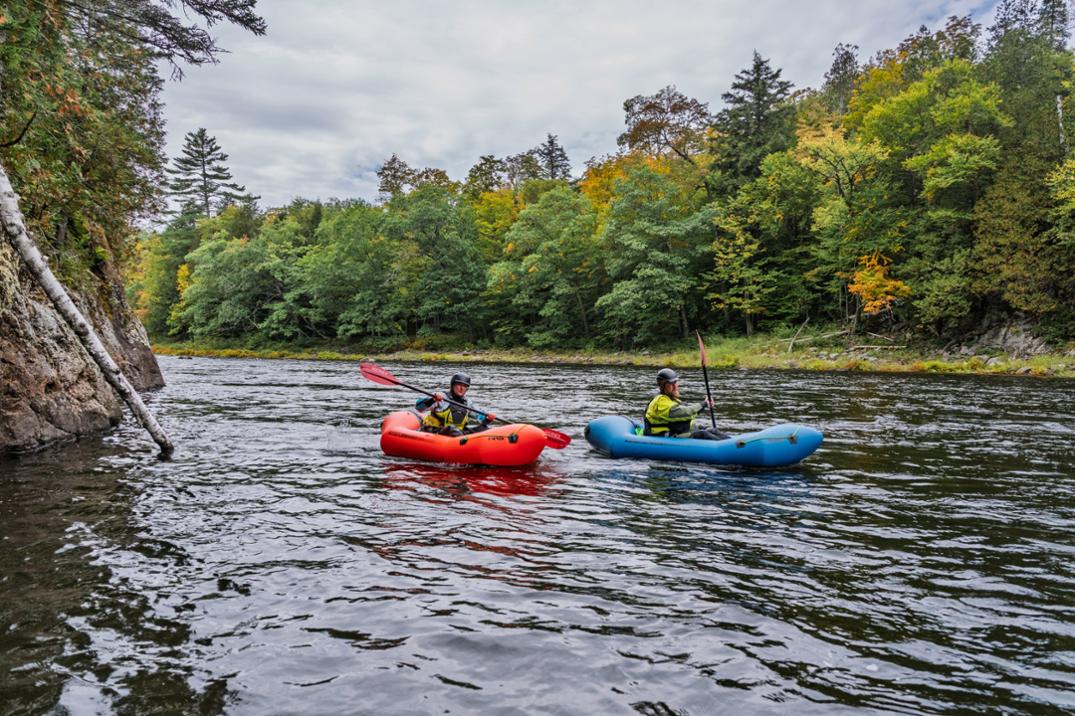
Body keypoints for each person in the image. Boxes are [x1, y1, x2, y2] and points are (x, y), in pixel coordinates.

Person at [644, 368, 730, 440]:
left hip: (674, 432)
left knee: (712, 430)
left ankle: (731, 443)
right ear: (663, 386)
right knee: (703, 434)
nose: (675, 386)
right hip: (664, 436)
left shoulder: (671, 400)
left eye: (675, 382)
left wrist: (704, 406)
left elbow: (686, 416)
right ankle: (728, 451)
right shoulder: (661, 401)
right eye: (671, 384)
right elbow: (683, 412)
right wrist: (703, 404)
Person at [415, 372, 495, 436]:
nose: (462, 388)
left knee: (484, 429)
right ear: (453, 385)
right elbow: (419, 408)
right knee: (452, 428)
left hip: (458, 434)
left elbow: (480, 416)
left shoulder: (467, 403)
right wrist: (432, 400)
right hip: (435, 431)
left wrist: (487, 418)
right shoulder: (441, 396)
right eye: (459, 385)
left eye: (465, 386)